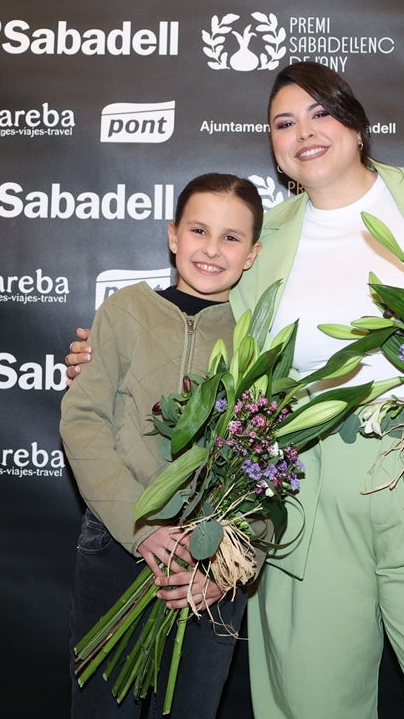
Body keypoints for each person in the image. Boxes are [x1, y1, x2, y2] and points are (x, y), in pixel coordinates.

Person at [66, 62, 404, 719]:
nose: (305, 132)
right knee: (311, 703)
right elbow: (198, 332)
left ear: (355, 123)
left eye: (320, 113)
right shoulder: (261, 243)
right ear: (272, 145)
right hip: (304, 493)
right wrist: (98, 356)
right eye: (284, 122)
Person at [61, 172, 264, 719]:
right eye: (199, 230)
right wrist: (140, 523)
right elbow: (83, 421)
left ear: (252, 254)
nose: (212, 249)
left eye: (231, 237)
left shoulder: (257, 340)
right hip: (116, 543)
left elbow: (273, 465)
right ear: (173, 235)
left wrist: (227, 564)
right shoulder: (127, 309)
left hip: (209, 563)